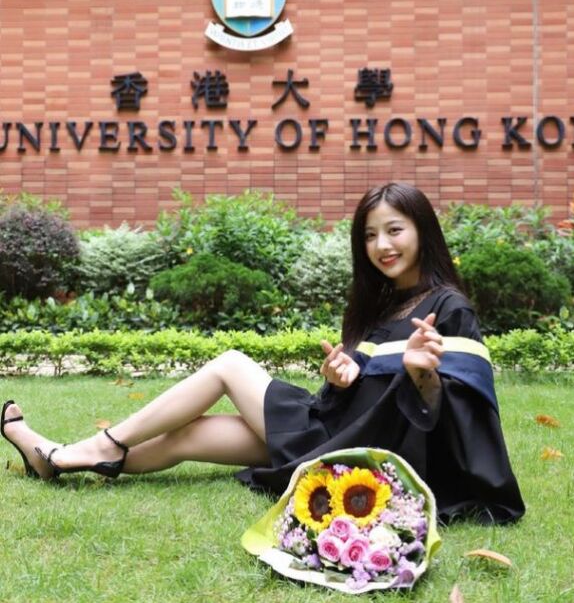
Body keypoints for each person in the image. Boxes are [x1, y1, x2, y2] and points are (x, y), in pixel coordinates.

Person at [1, 182, 525, 524]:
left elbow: (459, 419)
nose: (382, 245)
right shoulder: (380, 306)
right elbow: (358, 395)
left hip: (358, 452)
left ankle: (97, 445)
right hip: (334, 429)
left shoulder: (448, 307)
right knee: (186, 436)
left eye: (394, 230)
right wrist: (340, 378)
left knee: (231, 364)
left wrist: (423, 378)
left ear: (422, 232)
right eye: (370, 235)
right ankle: (58, 459)